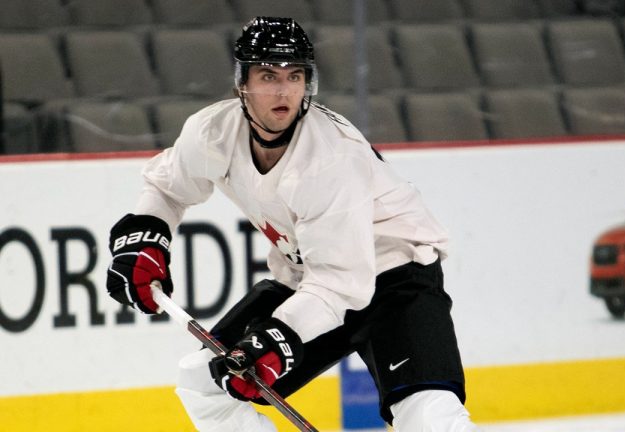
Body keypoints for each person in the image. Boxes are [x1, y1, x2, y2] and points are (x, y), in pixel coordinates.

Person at [106, 16, 476, 431]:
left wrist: (282, 336)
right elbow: (167, 188)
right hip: (309, 283)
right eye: (267, 75)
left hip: (396, 280)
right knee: (204, 382)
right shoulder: (213, 132)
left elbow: (342, 282)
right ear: (241, 83)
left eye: (294, 75)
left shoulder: (330, 158)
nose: (283, 90)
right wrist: (145, 237)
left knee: (429, 414)